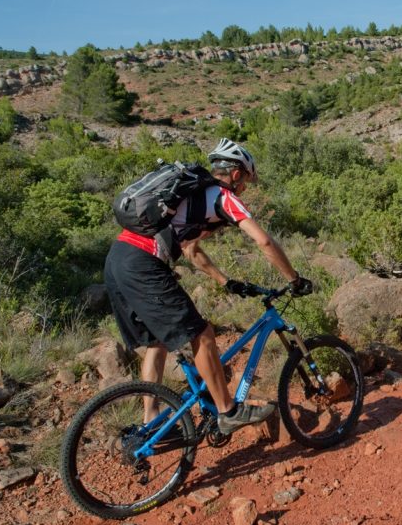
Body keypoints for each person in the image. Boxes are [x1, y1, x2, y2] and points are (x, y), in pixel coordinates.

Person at [104, 138, 312, 434]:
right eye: (246, 182)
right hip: (142, 264)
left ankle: (151, 422)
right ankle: (228, 411)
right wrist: (294, 278)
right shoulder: (223, 196)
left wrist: (226, 282)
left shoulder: (190, 196)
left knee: (156, 342)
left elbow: (192, 251)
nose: (245, 189)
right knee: (202, 335)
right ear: (237, 174)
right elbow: (263, 240)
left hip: (117, 259)